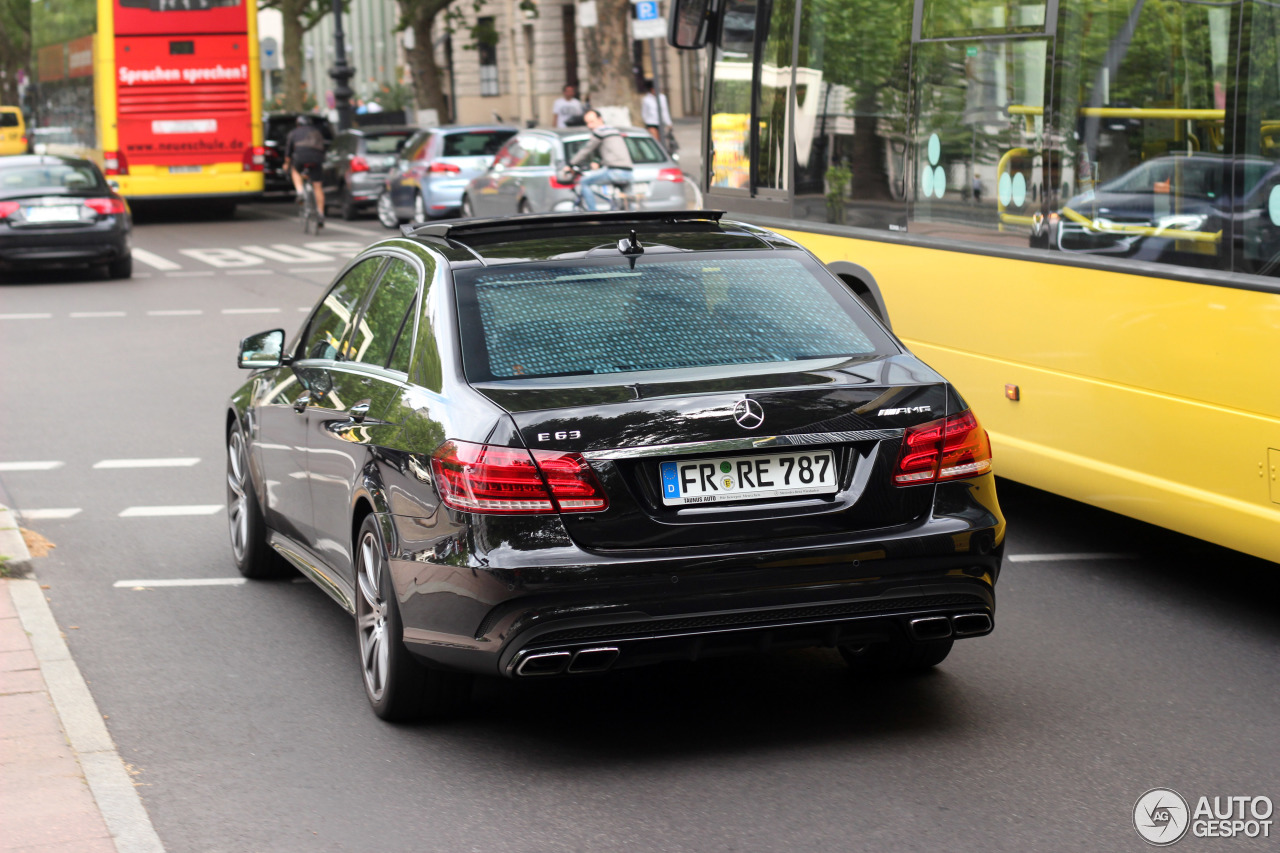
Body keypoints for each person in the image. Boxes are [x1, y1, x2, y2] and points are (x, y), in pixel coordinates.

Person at [568, 109, 634, 210]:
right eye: (587, 123)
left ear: (600, 119)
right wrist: (599, 162)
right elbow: (611, 152)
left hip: (615, 171)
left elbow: (586, 150)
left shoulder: (600, 132)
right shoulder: (614, 130)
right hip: (629, 171)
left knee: (584, 182)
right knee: (626, 203)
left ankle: (593, 214)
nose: (589, 126)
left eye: (592, 122)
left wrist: (571, 164)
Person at [284, 115, 326, 229]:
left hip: (301, 158)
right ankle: (321, 214)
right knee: (317, 186)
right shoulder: (317, 132)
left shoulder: (294, 133)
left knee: (295, 170)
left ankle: (300, 191)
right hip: (317, 159)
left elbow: (288, 153)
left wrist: (286, 164)